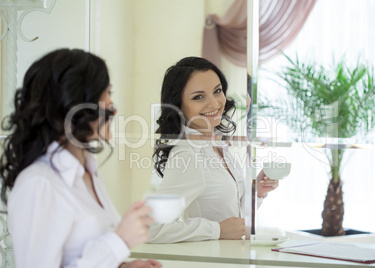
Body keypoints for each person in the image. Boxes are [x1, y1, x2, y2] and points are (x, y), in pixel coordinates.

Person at [0, 49, 161, 268]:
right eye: (105, 93)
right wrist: (120, 241)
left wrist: (123, 266)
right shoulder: (39, 184)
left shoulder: (89, 173)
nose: (112, 106)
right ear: (74, 103)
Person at [148, 57, 279, 243]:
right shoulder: (188, 153)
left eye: (217, 91)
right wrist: (216, 230)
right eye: (198, 97)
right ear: (178, 106)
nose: (214, 103)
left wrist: (256, 192)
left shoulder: (217, 146)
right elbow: (151, 227)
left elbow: (232, 218)